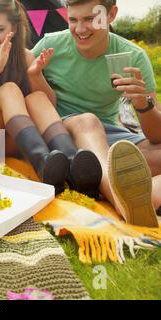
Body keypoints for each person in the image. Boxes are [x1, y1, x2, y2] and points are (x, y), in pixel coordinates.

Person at [0, 0, 102, 195]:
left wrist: (35, 75)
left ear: (13, 29)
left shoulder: (25, 56)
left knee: (37, 97)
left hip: (13, 140)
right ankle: (42, 163)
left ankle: (74, 166)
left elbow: (50, 104)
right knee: (10, 90)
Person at [32, 0, 160, 227]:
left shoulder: (133, 55)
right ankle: (124, 206)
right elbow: (23, 88)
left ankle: (135, 194)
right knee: (88, 121)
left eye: (90, 19)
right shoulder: (50, 45)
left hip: (108, 135)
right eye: (73, 20)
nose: (80, 30)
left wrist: (143, 103)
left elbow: (156, 136)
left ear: (111, 14)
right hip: (63, 133)